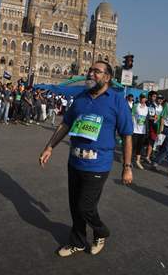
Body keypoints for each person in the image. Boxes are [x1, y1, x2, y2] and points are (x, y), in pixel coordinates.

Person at [39, 61, 133, 257]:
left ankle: (101, 231)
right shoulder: (80, 98)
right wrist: (49, 147)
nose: (90, 74)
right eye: (90, 70)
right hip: (75, 161)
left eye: (96, 72)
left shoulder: (117, 101)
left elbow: (127, 135)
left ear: (107, 77)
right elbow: (65, 125)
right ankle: (78, 242)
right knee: (75, 206)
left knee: (85, 206)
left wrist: (127, 166)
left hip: (98, 164)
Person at [132, 93, 148, 169]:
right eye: (142, 97)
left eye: (144, 98)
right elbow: (131, 115)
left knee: (140, 146)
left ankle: (137, 161)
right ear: (140, 98)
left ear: (146, 99)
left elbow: (146, 118)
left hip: (142, 130)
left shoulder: (147, 108)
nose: (143, 99)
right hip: (135, 129)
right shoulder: (136, 106)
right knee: (133, 146)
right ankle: (129, 159)